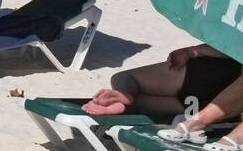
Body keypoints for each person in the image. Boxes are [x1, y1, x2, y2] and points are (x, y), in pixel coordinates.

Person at [83, 43, 243, 131]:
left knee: (124, 78)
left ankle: (124, 95)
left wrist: (193, 51)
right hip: (216, 104)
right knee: (141, 104)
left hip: (209, 73)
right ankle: (123, 104)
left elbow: (231, 45)